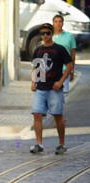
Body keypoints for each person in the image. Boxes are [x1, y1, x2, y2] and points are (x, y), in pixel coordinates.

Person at [30, 25, 73, 155]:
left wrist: (60, 82)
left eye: (48, 33)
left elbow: (69, 66)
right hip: (40, 88)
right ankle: (39, 144)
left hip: (54, 89)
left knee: (57, 116)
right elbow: (35, 67)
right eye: (42, 34)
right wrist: (33, 82)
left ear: (52, 34)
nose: (45, 36)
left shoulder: (60, 49)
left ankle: (61, 144)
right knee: (37, 114)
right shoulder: (38, 50)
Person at [51, 13, 77, 92]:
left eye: (60, 21)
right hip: (52, 70)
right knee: (52, 94)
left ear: (63, 23)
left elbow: (73, 54)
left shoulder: (69, 36)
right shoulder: (49, 36)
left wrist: (72, 70)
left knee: (64, 94)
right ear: (53, 23)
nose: (58, 24)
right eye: (56, 21)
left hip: (65, 70)